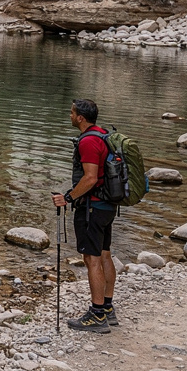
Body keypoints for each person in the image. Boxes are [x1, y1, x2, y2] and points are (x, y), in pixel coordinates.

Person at [51, 98, 118, 333]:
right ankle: (108, 309)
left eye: (71, 113)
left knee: (92, 259)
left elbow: (89, 178)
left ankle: (97, 315)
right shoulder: (103, 135)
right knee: (105, 254)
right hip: (108, 205)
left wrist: (68, 198)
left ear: (80, 117)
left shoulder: (88, 141)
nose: (69, 116)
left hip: (93, 208)